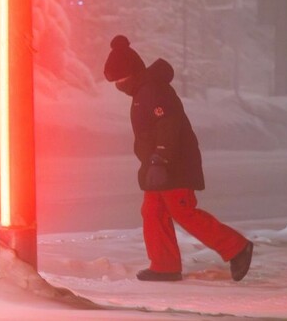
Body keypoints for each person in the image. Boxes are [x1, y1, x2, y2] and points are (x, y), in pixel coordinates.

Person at [103, 35, 254, 282]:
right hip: (158, 165)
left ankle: (237, 247)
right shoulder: (143, 91)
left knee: (184, 211)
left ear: (131, 73)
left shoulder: (153, 89)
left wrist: (159, 158)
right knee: (152, 211)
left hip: (173, 164)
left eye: (119, 79)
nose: (118, 85)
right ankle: (164, 266)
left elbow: (167, 124)